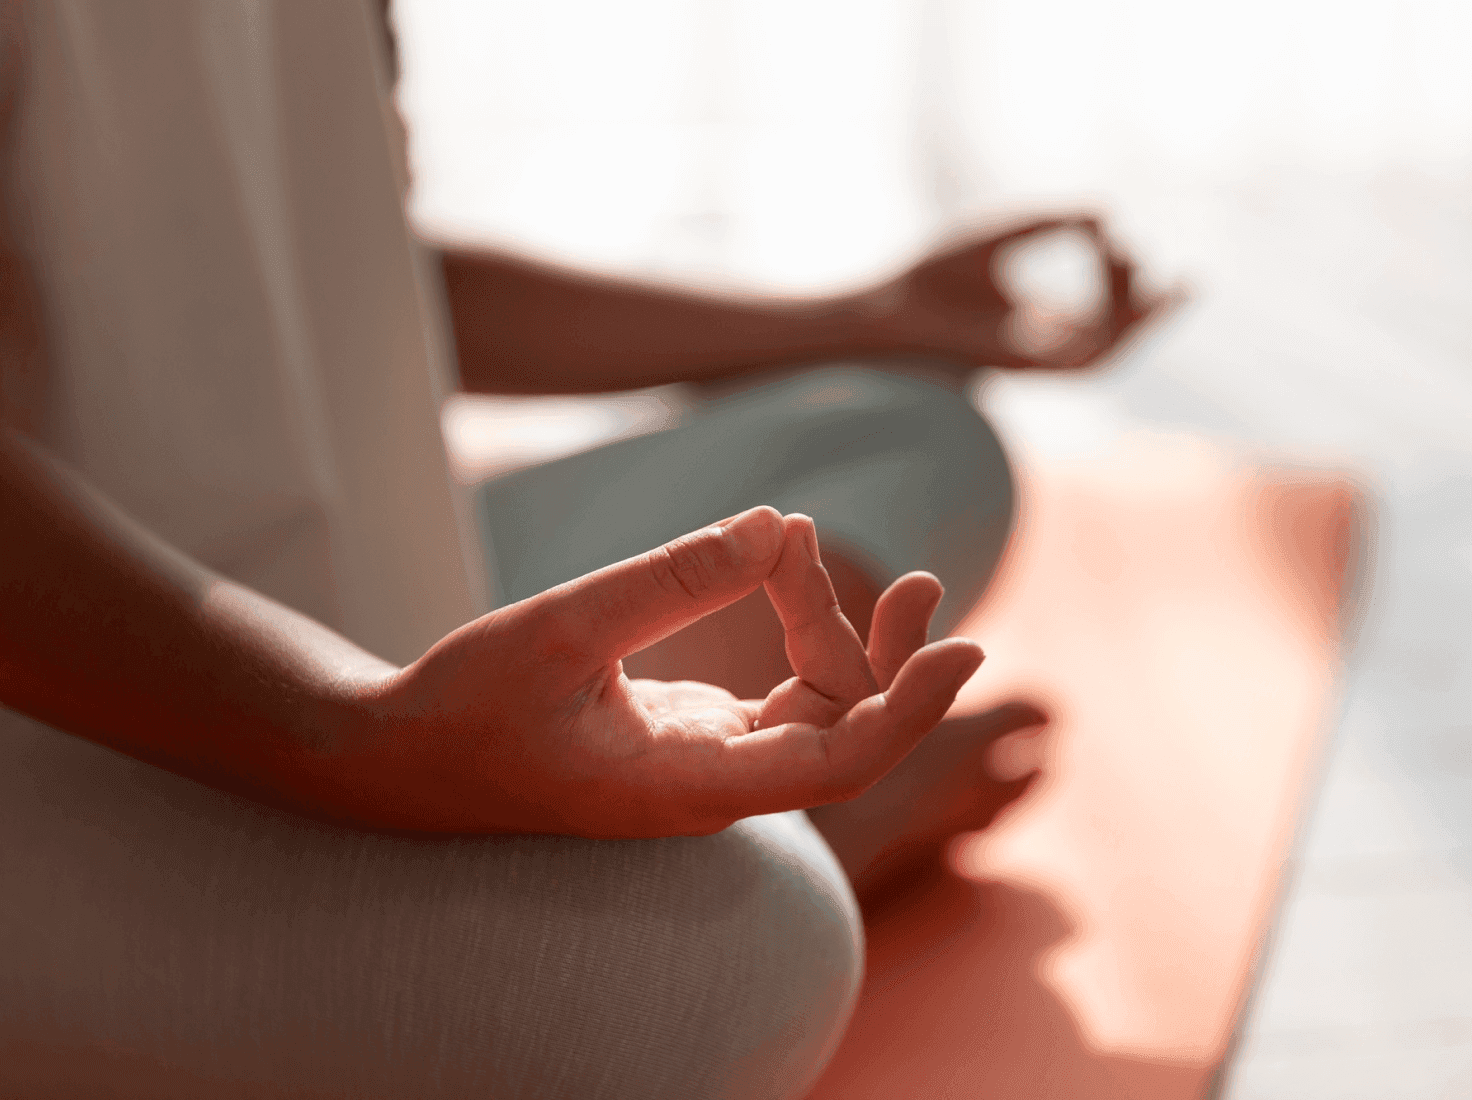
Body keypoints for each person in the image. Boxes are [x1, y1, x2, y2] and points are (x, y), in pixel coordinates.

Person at [0, 2, 1163, 1096]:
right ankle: (794, 832)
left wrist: (858, 318)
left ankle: (546, 787)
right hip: (75, 712)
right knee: (738, 948)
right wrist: (355, 733)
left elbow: (354, 275)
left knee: (915, 437)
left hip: (356, 603)